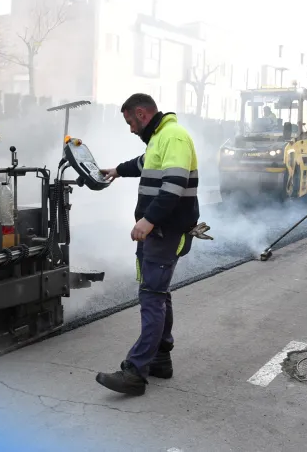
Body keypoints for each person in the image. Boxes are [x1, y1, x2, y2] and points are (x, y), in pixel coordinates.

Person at [95, 93, 200, 396]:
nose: (130, 129)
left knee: (151, 295)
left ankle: (135, 372)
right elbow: (145, 164)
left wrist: (148, 220)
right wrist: (117, 169)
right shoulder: (159, 138)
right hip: (161, 230)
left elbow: (174, 185)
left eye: (130, 122)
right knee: (159, 292)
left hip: (164, 231)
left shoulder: (173, 137)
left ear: (141, 114)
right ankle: (161, 358)